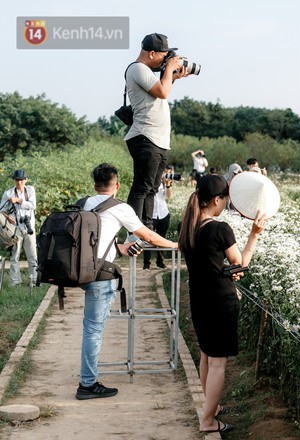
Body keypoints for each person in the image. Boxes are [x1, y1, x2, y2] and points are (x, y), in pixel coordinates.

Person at [75, 163, 177, 400]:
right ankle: (87, 385)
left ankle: (87, 378)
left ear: (94, 185)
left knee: (91, 328)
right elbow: (147, 235)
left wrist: (120, 247)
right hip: (101, 276)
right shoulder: (120, 207)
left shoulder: (83, 203)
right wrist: (174, 245)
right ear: (117, 185)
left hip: (83, 272)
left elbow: (93, 240)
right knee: (93, 331)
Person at [178, 174, 266, 433]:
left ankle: (211, 408)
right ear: (216, 200)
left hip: (199, 299)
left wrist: (228, 268)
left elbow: (212, 263)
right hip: (220, 301)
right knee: (218, 363)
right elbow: (241, 264)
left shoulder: (188, 226)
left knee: (206, 356)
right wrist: (254, 234)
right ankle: (207, 420)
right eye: (225, 200)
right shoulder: (219, 229)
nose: (225, 204)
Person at [124, 33, 188, 230]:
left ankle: (147, 227)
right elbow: (162, 92)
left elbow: (159, 92)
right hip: (145, 136)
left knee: (152, 188)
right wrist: (169, 69)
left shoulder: (146, 71)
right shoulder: (138, 68)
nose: (166, 60)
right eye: (164, 56)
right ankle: (135, 231)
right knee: (142, 187)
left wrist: (173, 77)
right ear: (152, 53)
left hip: (157, 139)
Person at [1, 169, 37, 286]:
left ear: (26, 180)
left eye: (21, 180)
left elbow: (33, 205)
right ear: (14, 180)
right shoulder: (8, 193)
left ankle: (33, 280)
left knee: (32, 255)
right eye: (17, 180)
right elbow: (1, 210)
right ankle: (15, 281)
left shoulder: (30, 190)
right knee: (15, 256)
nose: (19, 182)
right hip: (15, 228)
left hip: (29, 226)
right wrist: (8, 217)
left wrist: (18, 200)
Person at [143, 166, 174, 270]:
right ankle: (146, 263)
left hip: (163, 214)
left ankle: (160, 262)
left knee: (162, 237)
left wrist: (168, 185)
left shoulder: (163, 183)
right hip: (150, 215)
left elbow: (169, 196)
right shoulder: (147, 183)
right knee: (147, 238)